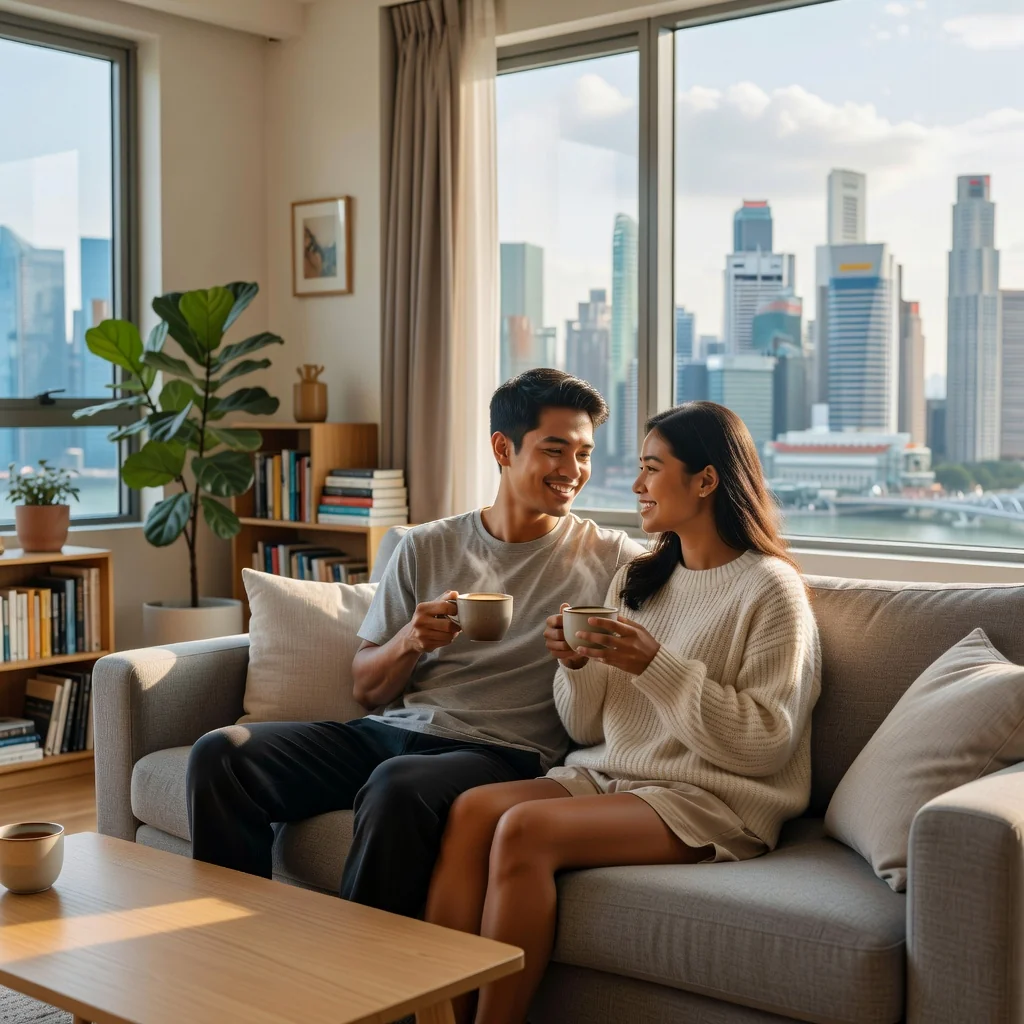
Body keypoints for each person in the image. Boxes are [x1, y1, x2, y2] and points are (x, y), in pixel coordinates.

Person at [186, 368, 642, 918]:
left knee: (397, 785)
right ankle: (228, 947)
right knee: (223, 753)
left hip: (500, 754)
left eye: (585, 454)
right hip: (388, 735)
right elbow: (366, 689)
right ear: (503, 447)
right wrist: (410, 640)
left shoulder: (611, 558)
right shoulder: (425, 546)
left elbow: (692, 574)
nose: (574, 471)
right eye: (556, 450)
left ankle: (377, 995)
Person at [424, 401, 821, 1024]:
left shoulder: (770, 589)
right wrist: (575, 667)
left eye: (651, 469)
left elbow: (765, 744)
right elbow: (586, 730)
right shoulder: (639, 578)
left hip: (710, 798)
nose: (636, 485)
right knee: (474, 811)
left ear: (706, 480)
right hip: (613, 775)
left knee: (524, 830)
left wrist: (654, 667)